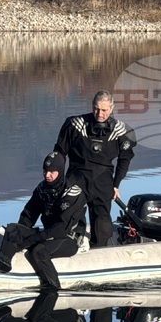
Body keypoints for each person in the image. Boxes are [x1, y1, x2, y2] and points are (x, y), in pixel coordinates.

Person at [0, 152, 86, 289]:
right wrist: (19, 236)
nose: (47, 175)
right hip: (48, 234)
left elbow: (61, 228)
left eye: (52, 172)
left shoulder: (73, 193)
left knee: (38, 252)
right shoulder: (42, 189)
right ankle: (4, 259)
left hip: (67, 238)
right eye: (45, 171)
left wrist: (30, 240)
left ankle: (53, 287)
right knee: (13, 228)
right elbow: (28, 215)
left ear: (60, 171)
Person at [54, 90, 136, 247]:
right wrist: (57, 179)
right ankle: (72, 244)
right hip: (76, 177)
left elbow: (125, 159)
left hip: (103, 180)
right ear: (92, 106)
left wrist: (116, 184)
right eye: (96, 109)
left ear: (111, 108)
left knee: (102, 224)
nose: (100, 114)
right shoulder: (75, 125)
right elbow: (59, 153)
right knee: (72, 214)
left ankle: (100, 249)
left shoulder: (121, 130)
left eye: (104, 110)